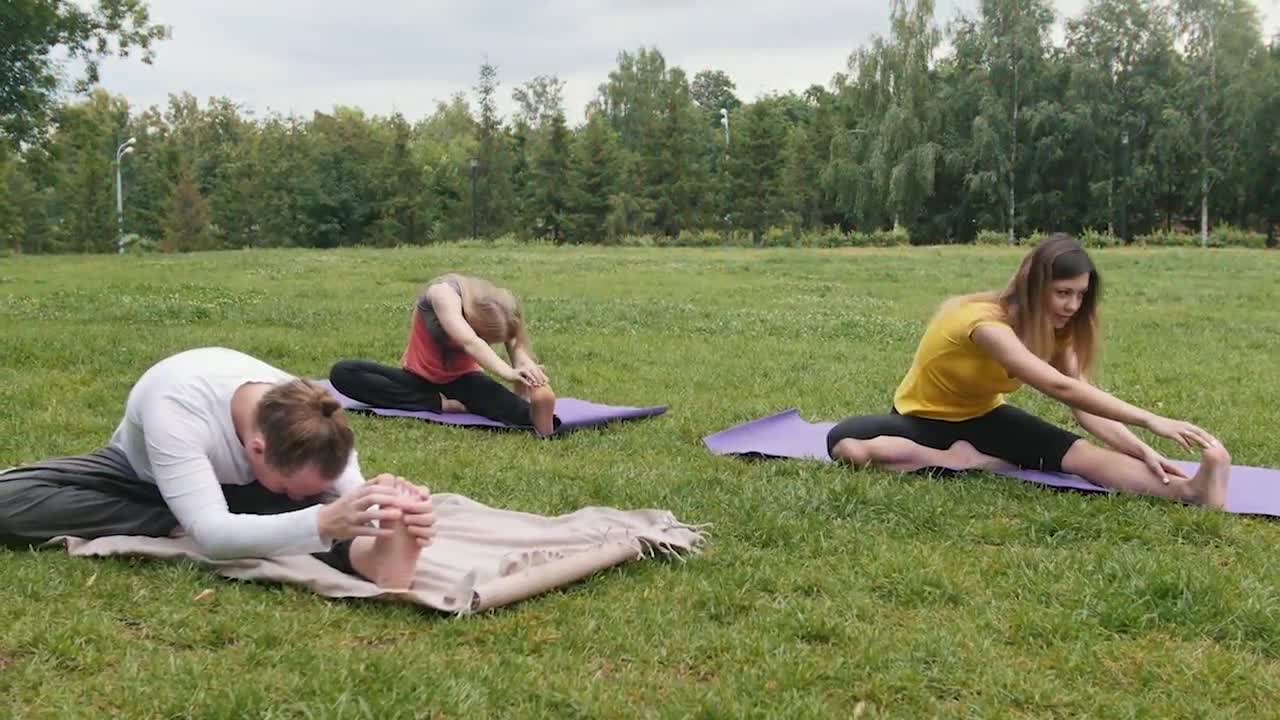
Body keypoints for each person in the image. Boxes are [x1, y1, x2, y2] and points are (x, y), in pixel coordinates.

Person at [825, 233, 1231, 510]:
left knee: (1081, 455)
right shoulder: (982, 323)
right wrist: (1152, 420)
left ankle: (1191, 492)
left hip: (985, 419)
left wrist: (1141, 449)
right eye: (1062, 293)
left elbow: (1083, 403)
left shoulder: (1056, 333)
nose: (1072, 306)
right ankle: (958, 459)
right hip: (921, 421)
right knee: (844, 442)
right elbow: (1058, 387)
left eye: (1080, 295)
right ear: (1033, 286)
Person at [0, 347, 436, 586]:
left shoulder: (316, 417)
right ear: (257, 450)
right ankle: (179, 519)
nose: (300, 496)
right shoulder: (178, 408)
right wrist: (319, 520)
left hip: (248, 496)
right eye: (291, 487)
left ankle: (376, 559)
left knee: (304, 512)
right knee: (8, 501)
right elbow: (212, 536)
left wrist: (379, 508)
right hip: (139, 479)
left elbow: (343, 489)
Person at [329, 273, 559, 436]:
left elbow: (515, 340)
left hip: (464, 381)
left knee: (518, 414)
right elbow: (469, 341)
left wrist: (525, 367)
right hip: (418, 378)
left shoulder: (500, 305)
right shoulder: (442, 294)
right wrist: (507, 372)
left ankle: (532, 415)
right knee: (344, 372)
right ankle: (440, 403)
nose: (489, 343)